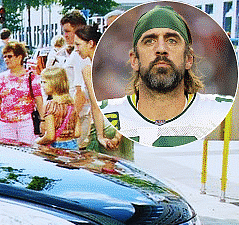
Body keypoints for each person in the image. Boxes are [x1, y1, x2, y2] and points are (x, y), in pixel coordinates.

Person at [98, 6, 233, 147]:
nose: (161, 49)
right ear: (134, 60)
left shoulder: (216, 110)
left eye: (172, 41)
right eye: (149, 41)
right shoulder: (110, 111)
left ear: (188, 59)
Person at [74, 25, 132, 160]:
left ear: (90, 43)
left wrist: (100, 136)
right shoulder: (116, 64)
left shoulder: (89, 70)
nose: (76, 49)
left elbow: (96, 106)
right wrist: (119, 135)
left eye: (78, 44)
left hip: (106, 127)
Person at [0, 41, 43, 146]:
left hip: (25, 124)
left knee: (27, 151)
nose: (6, 59)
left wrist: (43, 120)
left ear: (19, 57)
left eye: (9, 56)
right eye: (4, 57)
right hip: (5, 124)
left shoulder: (31, 76)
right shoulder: (1, 78)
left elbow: (39, 100)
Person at [59, 10, 90, 149]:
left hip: (80, 116)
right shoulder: (77, 53)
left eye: (67, 31)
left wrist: (71, 119)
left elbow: (81, 92)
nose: (64, 35)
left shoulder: (79, 55)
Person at [36, 67, 80, 149]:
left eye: (44, 82)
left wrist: (38, 141)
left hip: (56, 147)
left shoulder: (50, 105)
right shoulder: (71, 104)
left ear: (54, 83)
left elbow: (50, 136)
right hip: (73, 145)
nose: (42, 85)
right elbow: (77, 133)